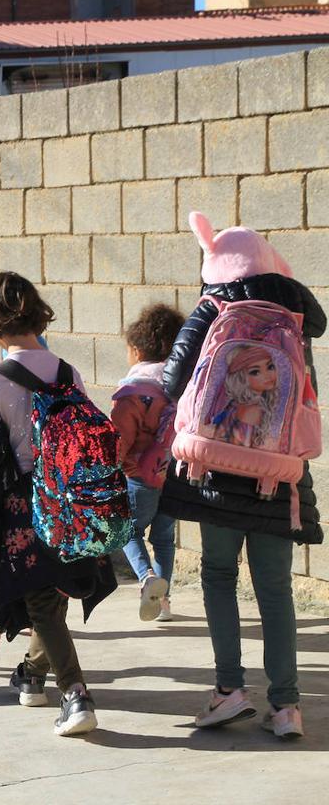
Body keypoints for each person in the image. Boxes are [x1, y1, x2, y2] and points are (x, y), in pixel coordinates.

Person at [161, 212, 324, 740]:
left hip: (216, 469)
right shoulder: (291, 319)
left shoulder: (214, 306)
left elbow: (174, 375)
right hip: (278, 476)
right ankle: (286, 708)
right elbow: (304, 399)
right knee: (275, 589)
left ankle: (229, 690)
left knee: (217, 576)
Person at [0, 271, 116, 737]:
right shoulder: (67, 371)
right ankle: (33, 675)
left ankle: (76, 696)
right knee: (53, 593)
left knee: (39, 599)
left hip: (24, 503)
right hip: (71, 497)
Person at [110, 303, 185, 622]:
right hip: (176, 476)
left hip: (139, 477)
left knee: (127, 531)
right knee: (164, 538)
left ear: (137, 350)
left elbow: (119, 440)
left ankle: (146, 579)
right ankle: (164, 603)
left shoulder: (134, 393)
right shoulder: (181, 387)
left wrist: (115, 469)